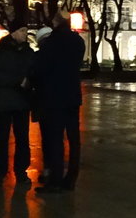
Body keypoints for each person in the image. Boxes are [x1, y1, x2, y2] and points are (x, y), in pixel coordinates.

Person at [32, 10, 85, 194]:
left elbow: (40, 69)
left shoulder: (51, 43)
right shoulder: (78, 41)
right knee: (74, 139)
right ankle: (71, 179)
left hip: (54, 98)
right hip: (73, 96)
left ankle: (55, 180)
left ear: (55, 22)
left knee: (56, 140)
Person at [0, 19, 34, 186]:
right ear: (14, 32)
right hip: (4, 101)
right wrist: (18, 81)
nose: (25, 34)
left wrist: (29, 82)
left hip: (21, 101)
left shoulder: (28, 52)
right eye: (22, 31)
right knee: (3, 137)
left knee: (22, 138)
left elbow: (33, 72)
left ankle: (20, 171)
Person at [31, 26, 53, 185]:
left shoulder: (37, 57)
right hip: (59, 102)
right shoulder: (61, 56)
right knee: (57, 138)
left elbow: (32, 78)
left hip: (43, 102)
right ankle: (55, 170)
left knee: (47, 137)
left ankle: (48, 169)